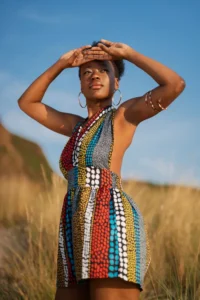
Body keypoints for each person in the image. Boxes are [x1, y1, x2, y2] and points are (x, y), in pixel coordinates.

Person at [18, 39, 186, 300]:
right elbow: (27, 103)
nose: (94, 74)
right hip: (73, 225)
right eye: (86, 72)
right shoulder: (75, 126)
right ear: (80, 85)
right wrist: (61, 64)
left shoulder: (123, 117)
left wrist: (129, 54)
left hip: (110, 221)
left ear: (116, 82)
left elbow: (175, 85)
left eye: (104, 70)